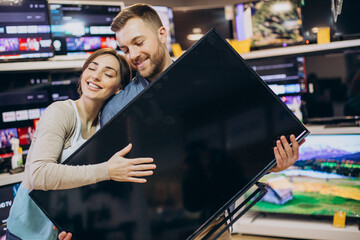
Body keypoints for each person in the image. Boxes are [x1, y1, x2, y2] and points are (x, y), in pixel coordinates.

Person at [59, 4, 304, 240]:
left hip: (212, 223)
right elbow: (110, 179)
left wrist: (270, 162)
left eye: (139, 42)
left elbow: (228, 153)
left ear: (162, 34)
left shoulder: (206, 83)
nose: (133, 55)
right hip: (153, 227)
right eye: (125, 49)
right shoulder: (116, 108)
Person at [6, 48, 156, 240]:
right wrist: (107, 171)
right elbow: (39, 175)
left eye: (108, 74)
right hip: (25, 235)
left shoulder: (104, 128)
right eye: (92, 69)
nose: (96, 77)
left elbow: (82, 185)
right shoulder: (61, 112)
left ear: (118, 88)